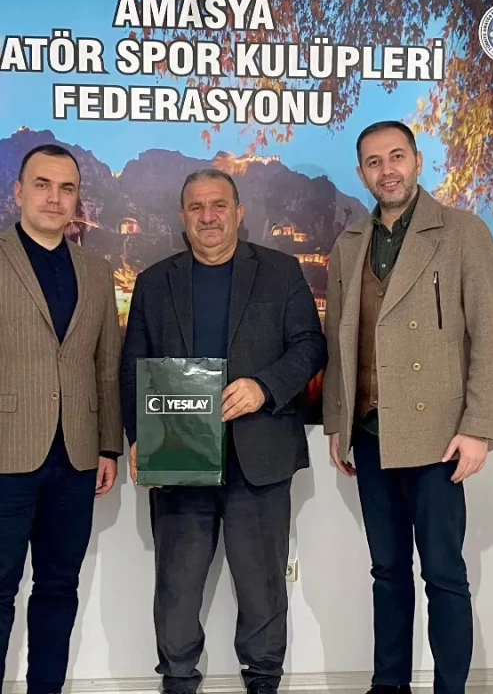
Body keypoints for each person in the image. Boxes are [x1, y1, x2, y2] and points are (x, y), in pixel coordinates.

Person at [120, 169, 327, 694]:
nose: (208, 217)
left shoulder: (281, 271)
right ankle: (177, 682)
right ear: (183, 216)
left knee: (262, 589)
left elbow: (310, 346)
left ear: (239, 212)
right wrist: (138, 437)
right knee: (176, 588)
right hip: (178, 455)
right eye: (196, 207)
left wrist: (264, 386)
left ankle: (263, 682)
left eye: (218, 205)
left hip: (260, 457)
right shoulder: (154, 281)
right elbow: (132, 366)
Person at [322, 121, 493, 694]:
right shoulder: (349, 243)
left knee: (445, 575)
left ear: (418, 161)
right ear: (362, 173)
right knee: (387, 572)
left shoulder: (462, 231)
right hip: (369, 433)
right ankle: (389, 686)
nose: (388, 170)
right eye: (374, 162)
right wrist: (338, 422)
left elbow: (491, 336)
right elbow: (340, 340)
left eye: (397, 156)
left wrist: (477, 427)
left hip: (438, 437)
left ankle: (450, 690)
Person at [0, 143, 124, 694]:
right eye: (42, 184)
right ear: (18, 192)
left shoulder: (96, 271)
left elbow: (106, 366)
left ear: (77, 199)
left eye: (66, 188)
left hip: (76, 460)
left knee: (59, 589)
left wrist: (108, 445)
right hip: (0, 459)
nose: (54, 197)